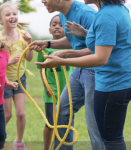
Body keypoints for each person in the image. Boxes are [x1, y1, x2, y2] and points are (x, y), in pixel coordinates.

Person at [52, 0, 129, 149]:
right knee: (111, 137)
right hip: (116, 81)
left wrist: (63, 60)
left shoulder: (106, 15)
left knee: (109, 138)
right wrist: (85, 33)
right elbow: (110, 39)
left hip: (112, 83)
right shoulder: (116, 9)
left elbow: (100, 58)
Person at [29, 0, 106, 150]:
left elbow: (99, 49)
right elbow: (73, 40)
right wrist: (48, 43)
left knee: (93, 124)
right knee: (62, 111)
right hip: (78, 69)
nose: (42, 1)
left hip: (95, 71)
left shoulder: (86, 14)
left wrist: (65, 55)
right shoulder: (63, 15)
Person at [0, 1, 33, 149]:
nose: (12, 16)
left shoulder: (23, 36)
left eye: (14, 14)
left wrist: (30, 44)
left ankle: (19, 142)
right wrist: (10, 61)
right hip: (3, 78)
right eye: (8, 14)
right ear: (0, 20)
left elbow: (29, 58)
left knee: (21, 114)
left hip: (20, 78)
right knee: (7, 115)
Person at [37, 14, 74, 150]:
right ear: (49, 30)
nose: (57, 27)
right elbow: (41, 69)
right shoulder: (44, 48)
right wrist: (46, 86)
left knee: (64, 122)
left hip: (68, 90)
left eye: (60, 24)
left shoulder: (72, 46)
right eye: (54, 24)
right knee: (51, 123)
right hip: (51, 91)